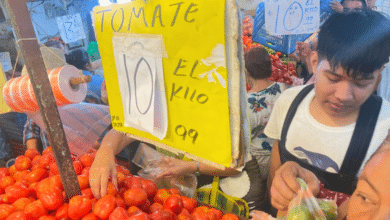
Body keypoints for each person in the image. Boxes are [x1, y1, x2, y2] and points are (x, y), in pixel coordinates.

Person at [264, 10, 390, 213]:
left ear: (378, 79)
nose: (343, 95)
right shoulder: (289, 102)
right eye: (333, 78)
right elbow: (275, 166)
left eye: (360, 83)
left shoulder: (385, 128)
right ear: (314, 63)